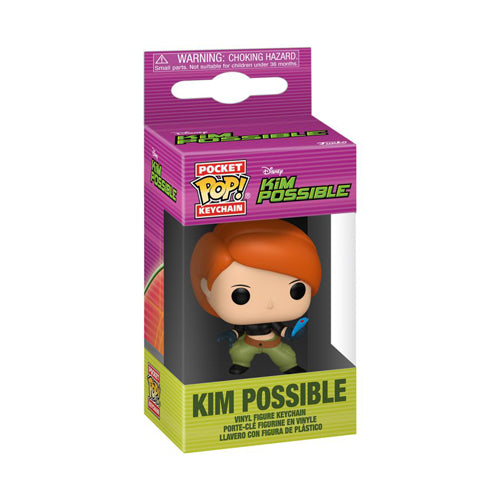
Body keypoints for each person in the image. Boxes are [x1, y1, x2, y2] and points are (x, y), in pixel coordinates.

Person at [190, 219, 322, 374]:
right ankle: (240, 363)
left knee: (285, 356)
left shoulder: (272, 320)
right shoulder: (244, 322)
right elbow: (238, 330)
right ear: (206, 288)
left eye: (296, 291)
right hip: (248, 342)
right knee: (239, 352)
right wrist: (231, 334)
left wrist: (292, 333)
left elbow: (281, 329)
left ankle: (289, 366)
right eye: (240, 295)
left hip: (272, 343)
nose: (269, 304)